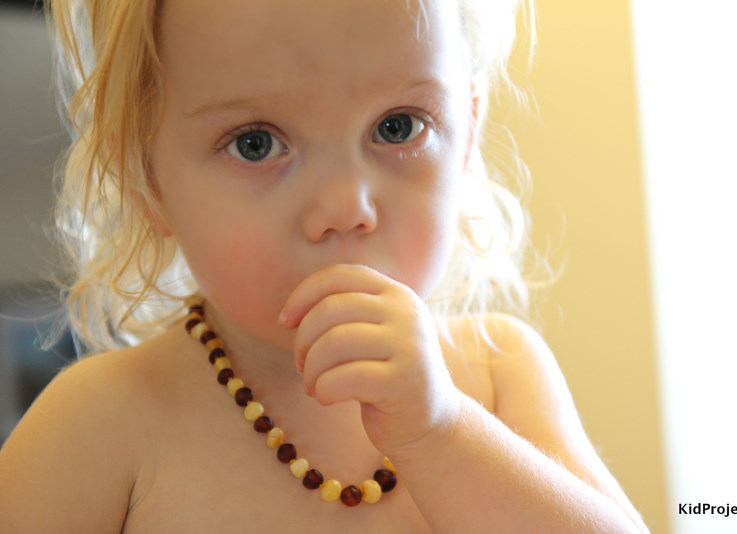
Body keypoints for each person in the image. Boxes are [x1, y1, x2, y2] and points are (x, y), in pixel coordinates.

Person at [0, 0, 649, 532]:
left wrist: (440, 428)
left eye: (398, 128)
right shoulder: (100, 423)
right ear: (147, 179)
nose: (345, 209)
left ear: (467, 137)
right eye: (255, 144)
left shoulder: (496, 374)